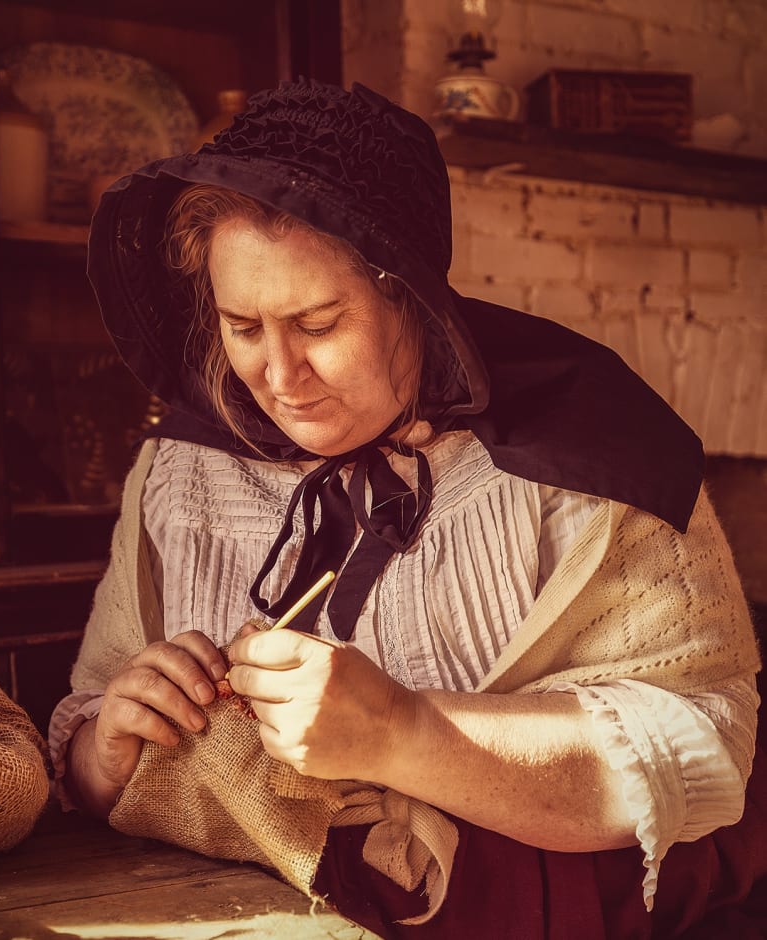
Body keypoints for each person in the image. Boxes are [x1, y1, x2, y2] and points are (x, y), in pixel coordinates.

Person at [49, 79, 766, 937]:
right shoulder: (182, 466)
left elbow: (705, 748)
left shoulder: (592, 458)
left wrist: (403, 730)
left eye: (318, 323)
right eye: (243, 327)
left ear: (412, 299)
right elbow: (91, 735)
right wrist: (106, 750)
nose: (278, 378)